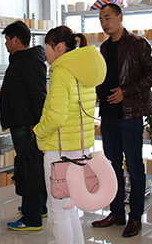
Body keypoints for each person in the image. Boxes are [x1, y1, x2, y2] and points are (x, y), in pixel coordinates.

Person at [92, 3, 152, 238]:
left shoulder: (137, 44)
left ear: (120, 17)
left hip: (130, 115)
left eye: (108, 17)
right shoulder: (103, 47)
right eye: (101, 19)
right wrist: (98, 92)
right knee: (112, 167)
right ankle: (117, 213)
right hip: (108, 115)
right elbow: (104, 78)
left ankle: (135, 218)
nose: (104, 23)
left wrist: (126, 91)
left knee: (134, 166)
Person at [33, 26, 106, 244]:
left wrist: (38, 131)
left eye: (46, 46)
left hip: (59, 151)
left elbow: (56, 117)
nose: (44, 51)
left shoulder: (62, 72)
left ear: (59, 48)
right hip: (80, 149)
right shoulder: (83, 69)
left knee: (60, 212)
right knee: (69, 206)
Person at [0, 21, 48, 231]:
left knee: (29, 167)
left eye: (7, 39)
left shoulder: (29, 61)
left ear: (16, 40)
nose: (5, 44)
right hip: (22, 122)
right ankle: (38, 208)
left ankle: (31, 218)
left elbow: (38, 95)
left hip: (26, 124)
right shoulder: (21, 59)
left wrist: (37, 125)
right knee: (32, 165)